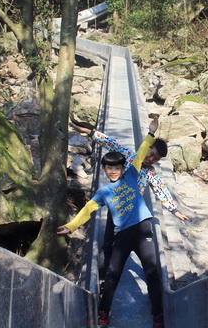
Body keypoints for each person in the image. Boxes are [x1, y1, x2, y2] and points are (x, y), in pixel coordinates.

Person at [57, 117, 166, 328]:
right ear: (105, 170)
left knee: (152, 272)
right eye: (109, 168)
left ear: (123, 167)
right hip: (123, 235)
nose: (114, 171)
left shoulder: (133, 173)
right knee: (112, 274)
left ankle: (159, 314)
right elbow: (87, 210)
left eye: (117, 168)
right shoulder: (104, 192)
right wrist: (70, 226)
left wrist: (151, 132)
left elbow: (143, 150)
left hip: (143, 230)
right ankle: (103, 312)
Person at [68, 119, 189, 272]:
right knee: (109, 239)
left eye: (156, 159)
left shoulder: (150, 172)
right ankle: (105, 270)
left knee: (126, 239)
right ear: (147, 149)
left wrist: (174, 209)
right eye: (151, 154)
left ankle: (124, 264)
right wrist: (85, 130)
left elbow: (160, 189)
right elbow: (109, 142)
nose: (151, 159)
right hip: (116, 205)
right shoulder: (128, 156)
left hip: (133, 212)